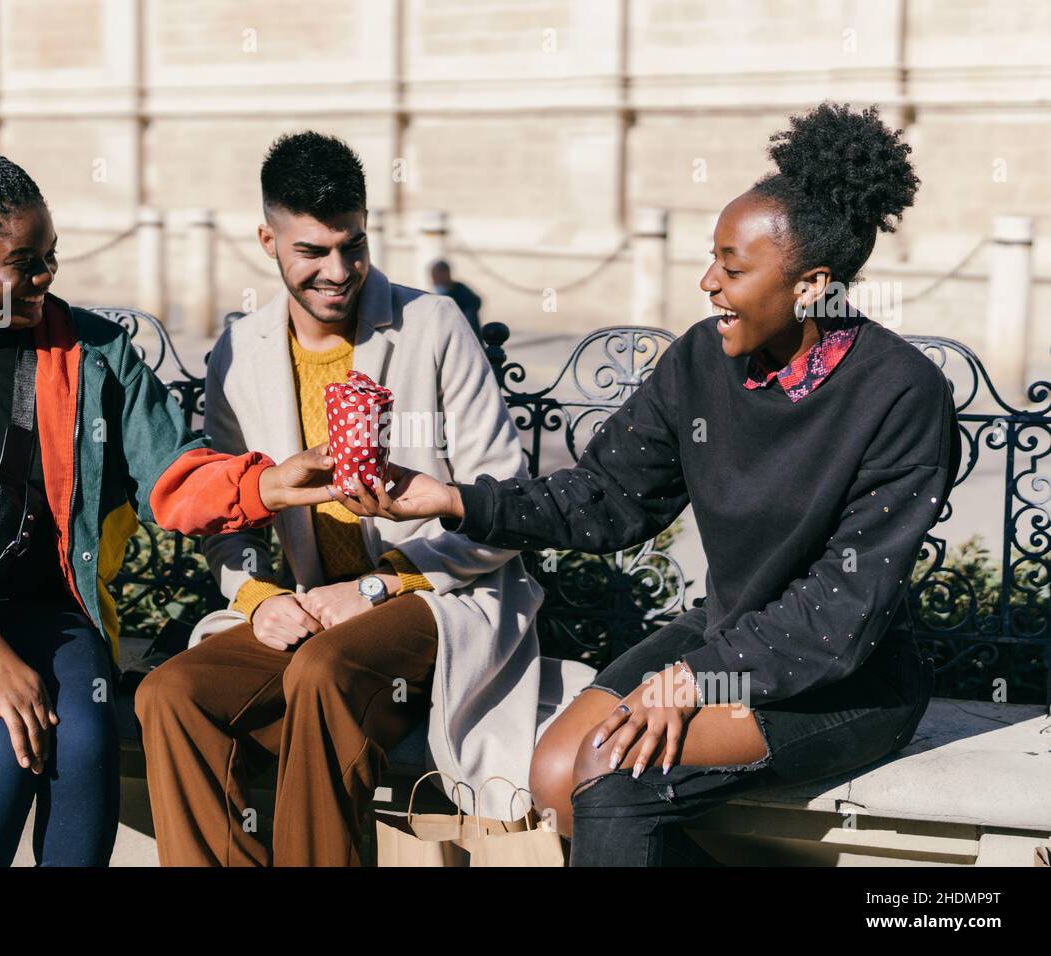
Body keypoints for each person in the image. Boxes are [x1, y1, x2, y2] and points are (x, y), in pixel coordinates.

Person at [332, 102, 962, 866]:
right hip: (726, 632)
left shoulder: (900, 392)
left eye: (732, 268)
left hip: (846, 680)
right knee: (555, 774)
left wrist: (697, 680)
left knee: (613, 775)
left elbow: (842, 611)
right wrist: (455, 500)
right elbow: (605, 498)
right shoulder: (702, 360)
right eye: (713, 260)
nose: (708, 282)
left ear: (811, 285)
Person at [0, 134, 332, 867]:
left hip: (54, 613)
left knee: (84, 751)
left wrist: (265, 484)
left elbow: (170, 474)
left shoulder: (96, 353)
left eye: (51, 257)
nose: (45, 279)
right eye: (24, 266)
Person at [133, 131, 578, 866]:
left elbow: (502, 502)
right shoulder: (238, 353)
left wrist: (377, 586)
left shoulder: (432, 326)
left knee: (322, 673)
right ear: (268, 240)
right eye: (312, 251)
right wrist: (256, 600)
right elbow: (228, 514)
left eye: (354, 245)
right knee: (169, 696)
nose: (338, 271)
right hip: (312, 606)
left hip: (443, 595)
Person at [430, 259, 482, 339]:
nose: (435, 277)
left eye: (438, 273)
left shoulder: (459, 288)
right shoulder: (435, 290)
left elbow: (475, 302)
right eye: (434, 274)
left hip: (463, 336)